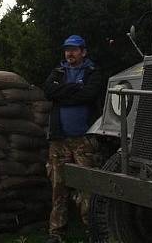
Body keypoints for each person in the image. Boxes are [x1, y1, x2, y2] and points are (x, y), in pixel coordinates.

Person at [41, 35, 104, 243]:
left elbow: (88, 95)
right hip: (59, 140)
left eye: (74, 49)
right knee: (58, 188)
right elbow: (49, 90)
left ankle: (92, 232)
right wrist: (73, 88)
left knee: (87, 189)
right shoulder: (58, 72)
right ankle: (56, 233)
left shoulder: (92, 72)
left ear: (83, 52)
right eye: (67, 49)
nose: (69, 53)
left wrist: (63, 94)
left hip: (83, 140)